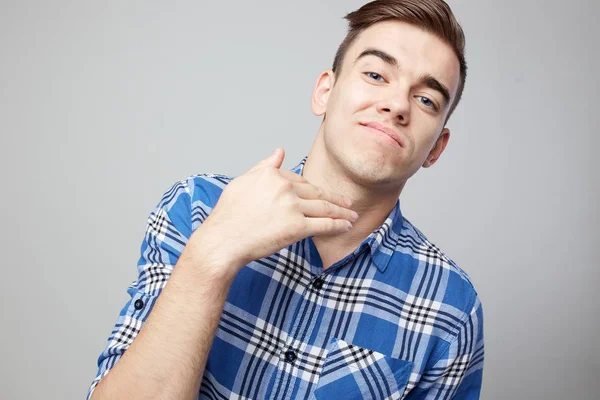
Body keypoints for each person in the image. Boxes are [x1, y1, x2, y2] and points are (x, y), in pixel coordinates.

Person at [87, 0, 484, 398]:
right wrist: (212, 255)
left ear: (436, 148)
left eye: (426, 100)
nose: (397, 105)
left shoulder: (450, 307)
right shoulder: (198, 209)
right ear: (324, 93)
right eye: (376, 74)